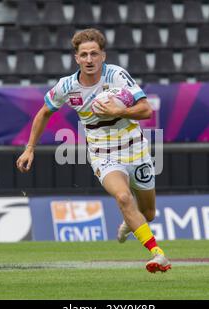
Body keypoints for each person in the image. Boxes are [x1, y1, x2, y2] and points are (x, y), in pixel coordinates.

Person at [16, 28, 171, 273]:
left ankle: (128, 224)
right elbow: (44, 112)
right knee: (122, 197)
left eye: (94, 54)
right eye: (84, 55)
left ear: (103, 56)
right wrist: (30, 148)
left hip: (136, 150)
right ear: (76, 58)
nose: (89, 60)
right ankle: (157, 253)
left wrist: (117, 111)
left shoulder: (118, 76)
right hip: (104, 154)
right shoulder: (67, 86)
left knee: (149, 213)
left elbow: (146, 110)